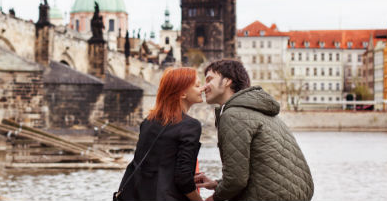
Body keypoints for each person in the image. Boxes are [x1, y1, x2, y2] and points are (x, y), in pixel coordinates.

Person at [194, 59, 314, 201]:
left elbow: (237, 180)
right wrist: (217, 184)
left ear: (227, 81)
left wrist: (215, 197)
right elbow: (260, 170)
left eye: (209, 80)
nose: (204, 86)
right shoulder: (263, 113)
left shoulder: (233, 115)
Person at [116, 67, 204, 201]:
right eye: (197, 85)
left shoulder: (148, 121)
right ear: (182, 94)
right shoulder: (191, 126)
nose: (202, 89)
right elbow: (183, 179)